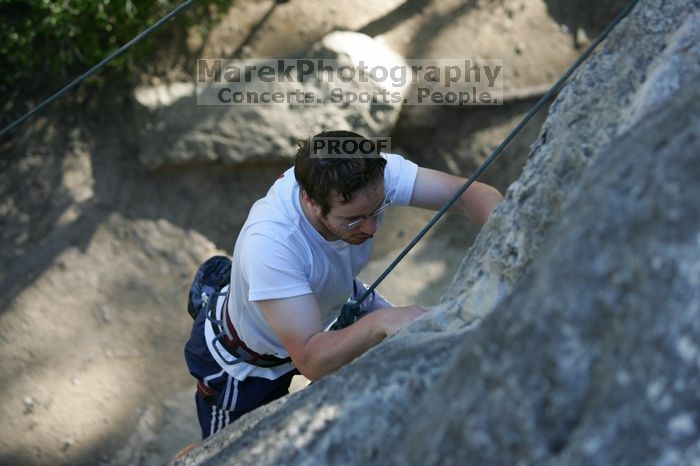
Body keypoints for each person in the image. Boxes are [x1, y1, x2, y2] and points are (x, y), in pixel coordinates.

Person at [184, 130, 503, 439]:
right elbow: (311, 360)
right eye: (353, 219)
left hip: (332, 305)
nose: (372, 227)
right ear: (309, 200)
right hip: (245, 364)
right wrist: (380, 321)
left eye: (377, 211)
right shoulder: (271, 244)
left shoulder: (368, 176)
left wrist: (509, 239)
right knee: (224, 454)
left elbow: (474, 195)